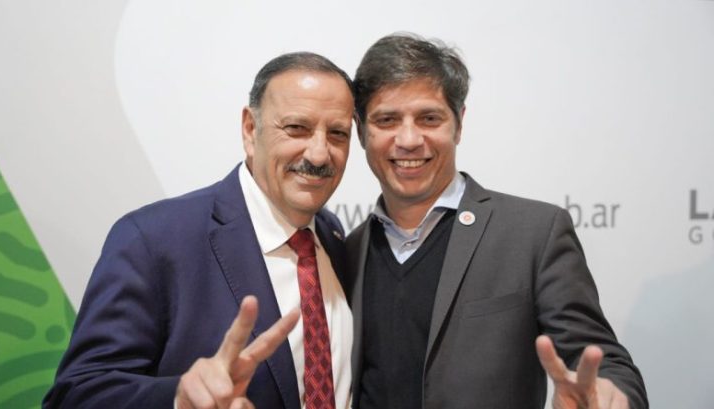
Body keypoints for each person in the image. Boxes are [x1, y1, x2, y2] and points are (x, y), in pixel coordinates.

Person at [345, 33, 648, 409]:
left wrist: (609, 395)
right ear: (362, 130)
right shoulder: (346, 251)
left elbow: (604, 363)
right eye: (387, 120)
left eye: (429, 118)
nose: (408, 139)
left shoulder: (534, 234)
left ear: (459, 124)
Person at [43, 52, 356, 409]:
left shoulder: (332, 235)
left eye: (337, 134)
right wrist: (179, 398)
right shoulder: (152, 240)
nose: (319, 154)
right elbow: (76, 395)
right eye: (297, 128)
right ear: (250, 129)